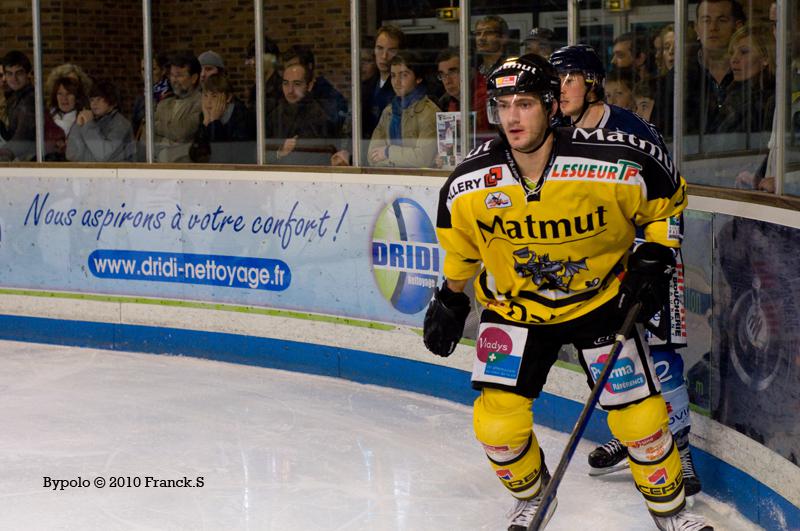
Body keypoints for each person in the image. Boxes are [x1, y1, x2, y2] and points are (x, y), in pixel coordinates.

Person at [423, 53, 711, 531]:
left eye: (525, 104)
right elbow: (462, 250)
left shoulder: (612, 161)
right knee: (496, 426)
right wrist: (451, 299)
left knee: (640, 421)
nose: (512, 117)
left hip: (599, 302)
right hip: (513, 310)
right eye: (502, 105)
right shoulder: (469, 183)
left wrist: (656, 254)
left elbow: (667, 204)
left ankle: (672, 514)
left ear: (552, 106)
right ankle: (534, 498)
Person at [550, 44, 704, 503]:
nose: (558, 90)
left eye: (568, 78)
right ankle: (636, 432)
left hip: (646, 261)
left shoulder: (632, 130)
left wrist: (658, 256)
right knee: (609, 355)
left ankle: (681, 452)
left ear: (592, 82)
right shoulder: (559, 135)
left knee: (656, 355)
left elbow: (670, 197)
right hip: (599, 264)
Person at [367, 51, 438, 168]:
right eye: (393, 75)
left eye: (403, 75)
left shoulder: (429, 112)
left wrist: (388, 152)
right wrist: (400, 160)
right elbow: (372, 156)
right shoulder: (389, 111)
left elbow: (423, 159)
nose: (396, 82)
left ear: (418, 78)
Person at [685, 0, 746, 135]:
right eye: (706, 20)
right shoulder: (679, 78)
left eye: (722, 20)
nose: (713, 27)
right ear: (696, 28)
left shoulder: (752, 74)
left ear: (738, 27)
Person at [265, 62, 337, 166]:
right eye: (286, 83)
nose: (290, 90)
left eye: (297, 84)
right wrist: (279, 153)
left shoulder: (319, 117)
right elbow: (261, 154)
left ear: (310, 85)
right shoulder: (274, 115)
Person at [711, 24, 775, 137]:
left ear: (765, 58)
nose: (734, 59)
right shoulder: (730, 94)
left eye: (744, 52)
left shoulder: (766, 102)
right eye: (732, 53)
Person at [189, 73, 255, 164]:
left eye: (214, 96)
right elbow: (195, 156)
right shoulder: (205, 115)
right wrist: (205, 124)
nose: (208, 101)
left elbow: (223, 156)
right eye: (205, 95)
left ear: (228, 98)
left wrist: (215, 122)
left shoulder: (241, 115)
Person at [66, 79, 135, 162]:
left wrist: (89, 125)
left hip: (118, 173)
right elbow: (71, 154)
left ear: (111, 100)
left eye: (99, 99)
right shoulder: (89, 119)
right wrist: (78, 125)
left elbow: (104, 156)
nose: (94, 104)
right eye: (92, 100)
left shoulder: (121, 124)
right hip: (90, 172)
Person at [154, 51, 203, 162]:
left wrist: (161, 129)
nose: (174, 80)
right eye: (172, 75)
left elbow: (182, 132)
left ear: (194, 78)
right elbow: (147, 131)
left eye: (179, 75)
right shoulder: (164, 103)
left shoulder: (201, 102)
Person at [361, 25, 404, 142]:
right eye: (380, 48)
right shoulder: (366, 86)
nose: (384, 56)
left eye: (391, 50)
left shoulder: (403, 86)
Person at [44, 76, 88, 161]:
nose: (64, 98)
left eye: (69, 94)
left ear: (76, 97)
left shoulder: (84, 118)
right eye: (60, 93)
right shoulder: (47, 117)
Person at [245, 35, 282, 117]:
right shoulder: (257, 88)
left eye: (258, 57)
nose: (253, 62)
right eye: (251, 57)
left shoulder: (281, 88)